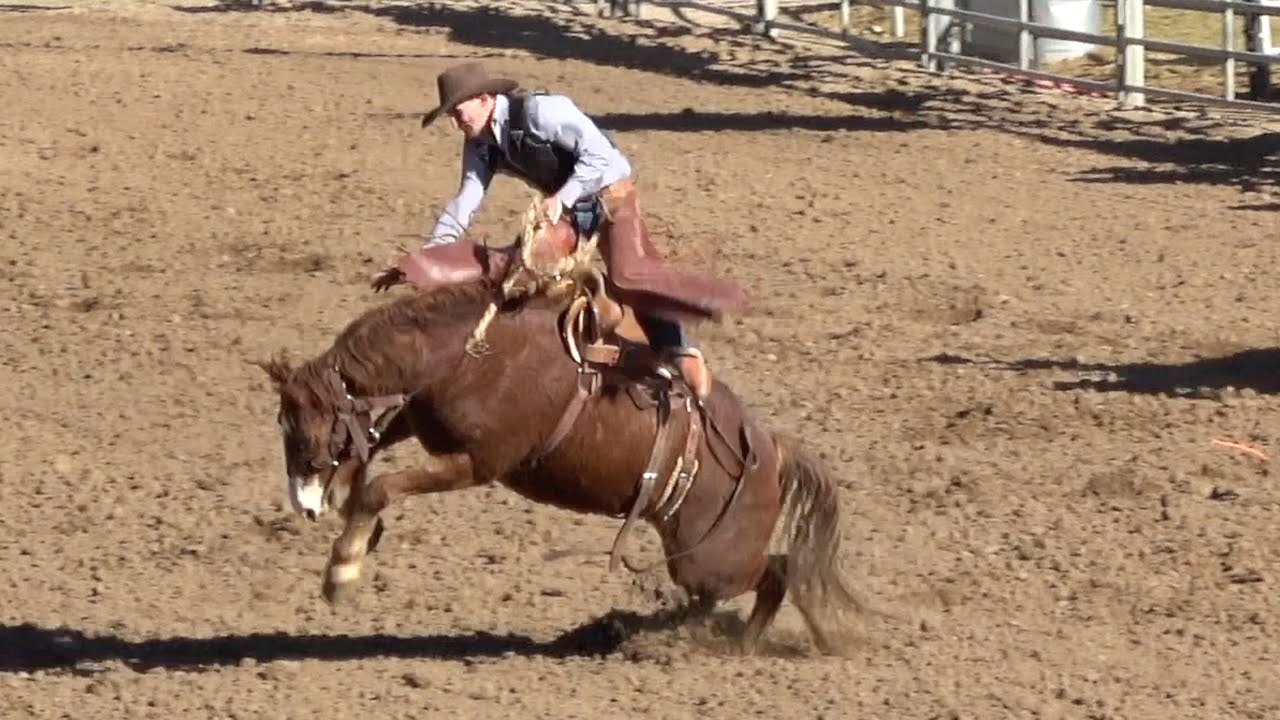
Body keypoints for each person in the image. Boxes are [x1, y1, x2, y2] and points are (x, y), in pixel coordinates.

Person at [414, 62, 747, 401]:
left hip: (609, 196)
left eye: (458, 113)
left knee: (629, 274)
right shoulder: (480, 146)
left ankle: (680, 349)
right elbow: (464, 202)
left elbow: (601, 156)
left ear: (484, 99)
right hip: (570, 209)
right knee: (525, 267)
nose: (456, 124)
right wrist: (430, 258)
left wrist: (563, 197)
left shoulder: (542, 112)